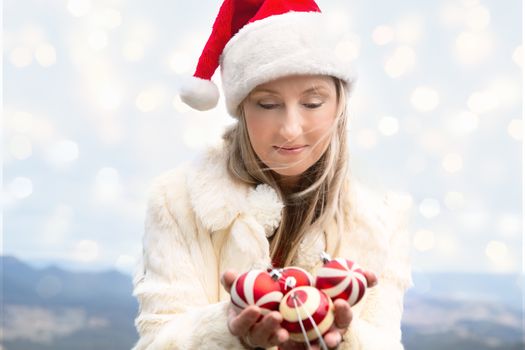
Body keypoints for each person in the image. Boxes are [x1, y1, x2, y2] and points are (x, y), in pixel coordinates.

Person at [132, 0, 413, 349]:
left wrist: (345, 336)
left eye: (313, 103)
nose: (291, 129)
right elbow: (156, 341)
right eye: (267, 104)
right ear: (242, 108)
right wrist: (225, 330)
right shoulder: (176, 202)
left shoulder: (381, 216)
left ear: (340, 105)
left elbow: (385, 340)